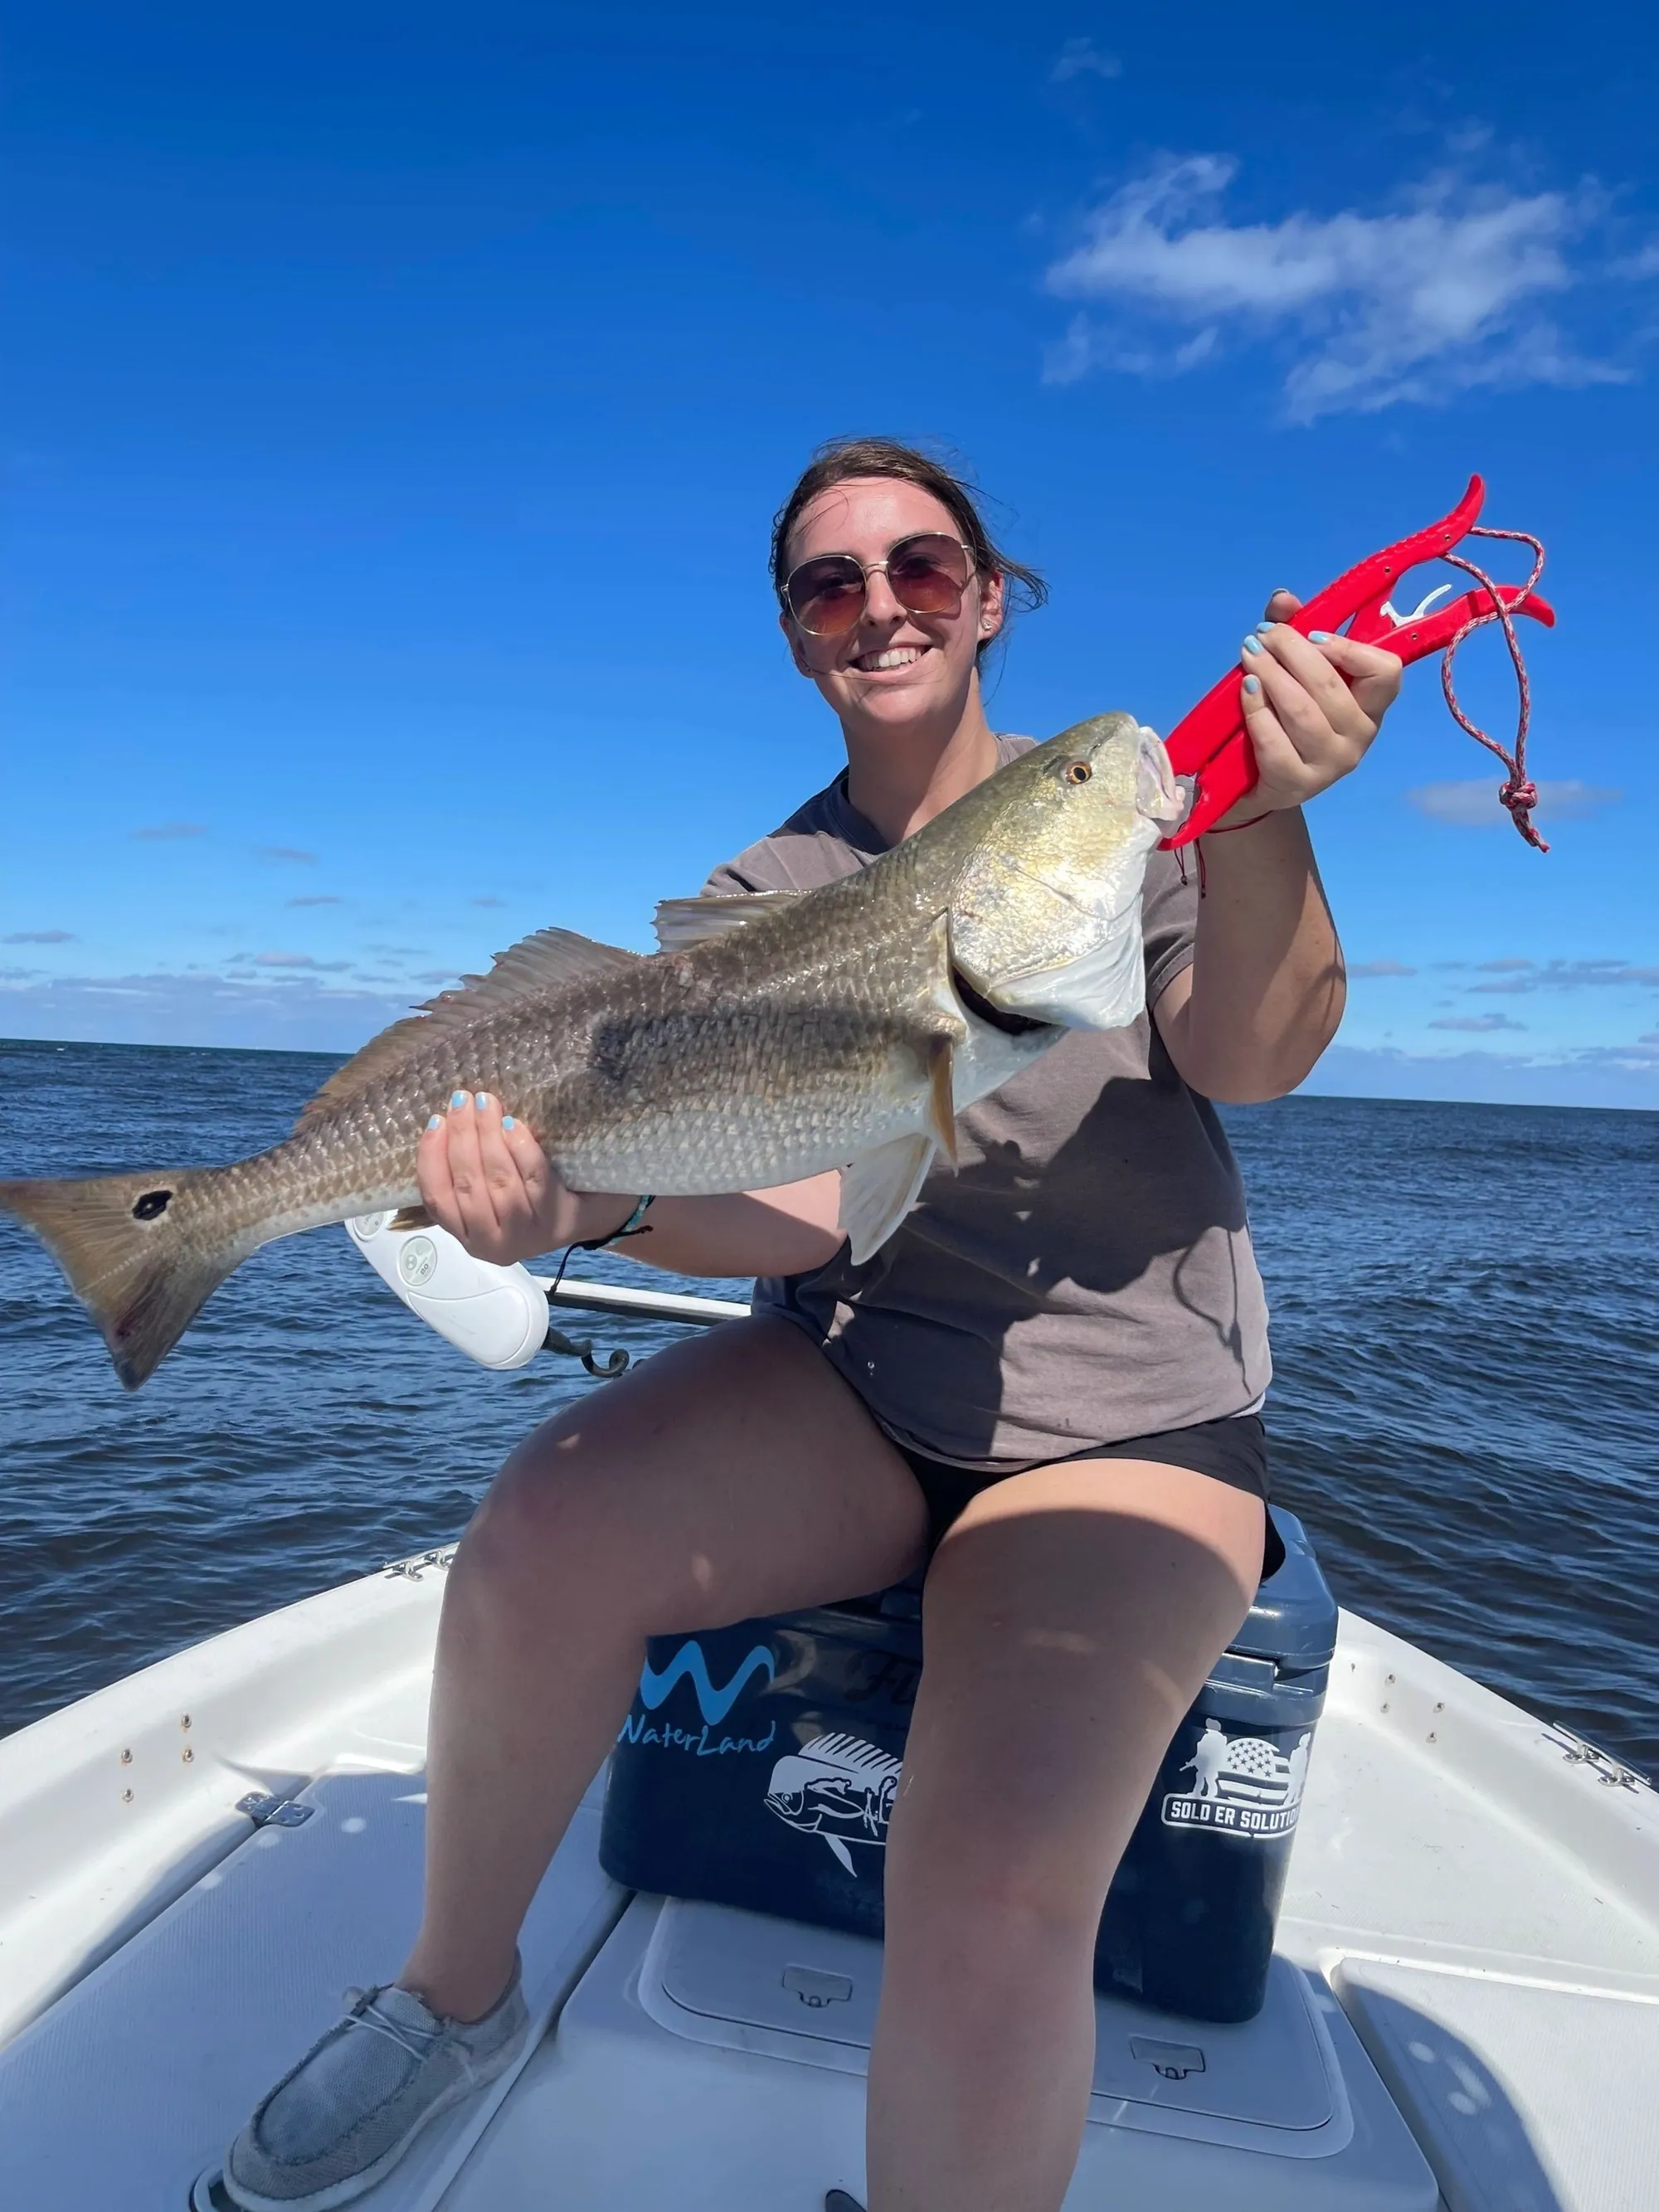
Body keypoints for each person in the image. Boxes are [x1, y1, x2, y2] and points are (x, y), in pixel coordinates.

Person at [220, 437, 1401, 2212]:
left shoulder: (1117, 809)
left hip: (1132, 1427)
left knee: (992, 1873)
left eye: (923, 568)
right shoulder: (767, 891)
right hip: (850, 1378)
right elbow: (786, 1202)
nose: (880, 609)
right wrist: (576, 1207)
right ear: (793, 635)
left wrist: (1269, 812)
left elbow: (1255, 1049)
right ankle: (448, 1998)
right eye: (828, 585)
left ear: (988, 600)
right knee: (536, 1528)